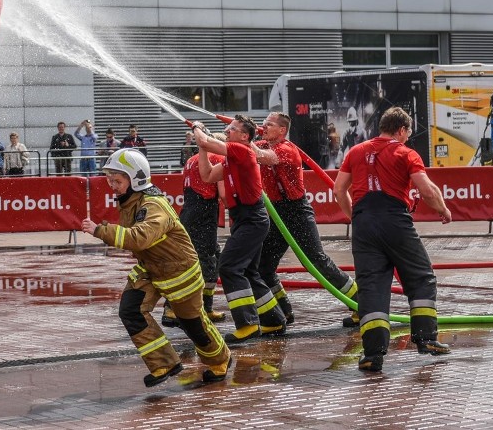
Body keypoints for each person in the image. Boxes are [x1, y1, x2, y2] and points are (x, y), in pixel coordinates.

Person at [80, 148, 231, 386]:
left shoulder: (154, 205)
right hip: (151, 268)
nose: (112, 186)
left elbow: (140, 237)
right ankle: (164, 363)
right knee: (130, 311)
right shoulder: (131, 200)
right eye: (110, 180)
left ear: (135, 179)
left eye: (117, 181)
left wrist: (101, 231)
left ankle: (220, 359)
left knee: (193, 325)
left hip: (179, 271)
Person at [333, 107, 452, 373]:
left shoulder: (356, 151)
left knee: (372, 286)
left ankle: (372, 354)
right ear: (401, 130)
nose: (408, 137)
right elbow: (426, 189)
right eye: (407, 133)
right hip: (394, 220)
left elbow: (339, 189)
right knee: (421, 276)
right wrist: (443, 209)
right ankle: (426, 338)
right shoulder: (405, 153)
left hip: (363, 224)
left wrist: (356, 217)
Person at [254, 112, 359, 327]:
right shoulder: (262, 144)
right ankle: (282, 311)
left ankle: (361, 303)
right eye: (263, 123)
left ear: (282, 130)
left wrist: (243, 140)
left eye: (269, 124)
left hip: (297, 212)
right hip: (276, 213)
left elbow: (262, 157)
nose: (264, 126)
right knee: (263, 266)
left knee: (316, 262)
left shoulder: (287, 150)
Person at [193, 115, 287, 344]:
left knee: (228, 267)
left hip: (252, 219)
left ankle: (247, 324)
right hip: (245, 220)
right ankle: (274, 319)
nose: (227, 130)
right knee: (248, 272)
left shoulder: (243, 151)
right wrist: (202, 148)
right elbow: (206, 176)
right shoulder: (230, 159)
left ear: (245, 136)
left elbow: (207, 141)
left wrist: (198, 127)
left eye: (232, 129)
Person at [162, 132, 227, 328]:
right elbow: (223, 193)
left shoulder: (191, 159)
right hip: (204, 212)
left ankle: (186, 308)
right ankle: (193, 309)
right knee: (206, 261)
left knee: (207, 256)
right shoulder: (219, 158)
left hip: (189, 211)